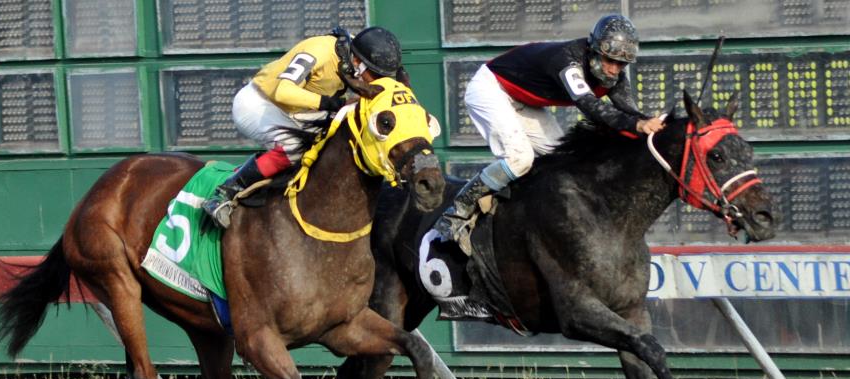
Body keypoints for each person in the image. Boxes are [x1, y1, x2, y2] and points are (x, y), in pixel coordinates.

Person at [434, 14, 665, 250]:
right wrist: (637, 124)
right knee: (520, 159)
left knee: (564, 161)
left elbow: (630, 112)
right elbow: (589, 106)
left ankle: (523, 212)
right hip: (491, 88)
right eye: (609, 60)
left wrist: (656, 126)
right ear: (594, 49)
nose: (614, 69)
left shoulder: (613, 76)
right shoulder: (568, 60)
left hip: (524, 102)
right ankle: (457, 212)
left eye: (621, 64)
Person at [203, 26, 407, 228]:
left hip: (297, 110)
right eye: (374, 75)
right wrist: (333, 104)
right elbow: (282, 92)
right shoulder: (319, 51)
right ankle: (226, 192)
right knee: (294, 147)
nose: (375, 81)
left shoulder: (364, 52)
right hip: (259, 103)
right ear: (356, 62)